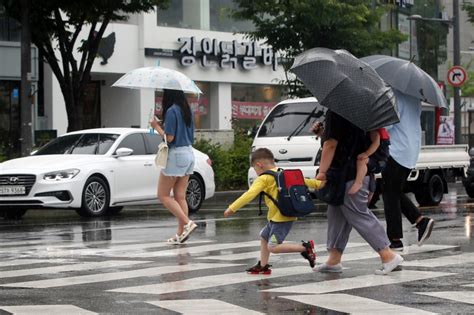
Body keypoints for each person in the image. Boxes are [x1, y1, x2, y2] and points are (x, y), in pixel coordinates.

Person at [315, 110, 403, 275]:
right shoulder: (363, 111)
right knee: (337, 214)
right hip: (351, 172)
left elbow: (331, 144)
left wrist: (321, 172)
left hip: (348, 174)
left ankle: (388, 255)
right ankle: (334, 259)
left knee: (358, 214)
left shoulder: (337, 111)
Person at [223, 148, 324, 274]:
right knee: (264, 236)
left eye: (255, 169)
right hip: (279, 216)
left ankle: (305, 248)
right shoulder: (284, 173)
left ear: (259, 165)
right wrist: (321, 184)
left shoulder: (263, 178)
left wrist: (232, 208)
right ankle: (263, 266)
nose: (256, 172)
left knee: (273, 247)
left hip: (281, 218)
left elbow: (249, 194)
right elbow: (306, 182)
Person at [382, 90, 434, 251]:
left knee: (390, 193)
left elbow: (388, 124)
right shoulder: (413, 97)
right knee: (393, 191)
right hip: (410, 149)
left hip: (396, 150)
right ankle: (420, 221)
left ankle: (395, 239)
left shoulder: (393, 97)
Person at [150, 89, 197, 245]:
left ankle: (187, 223)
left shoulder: (171, 110)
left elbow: (170, 138)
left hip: (176, 155)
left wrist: (156, 126)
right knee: (180, 196)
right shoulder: (186, 109)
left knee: (163, 195)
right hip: (189, 153)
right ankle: (181, 233)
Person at [348, 130, 380, 195]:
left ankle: (358, 182)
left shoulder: (373, 129)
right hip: (372, 159)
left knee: (361, 161)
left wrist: (366, 154)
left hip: (378, 159)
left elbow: (376, 142)